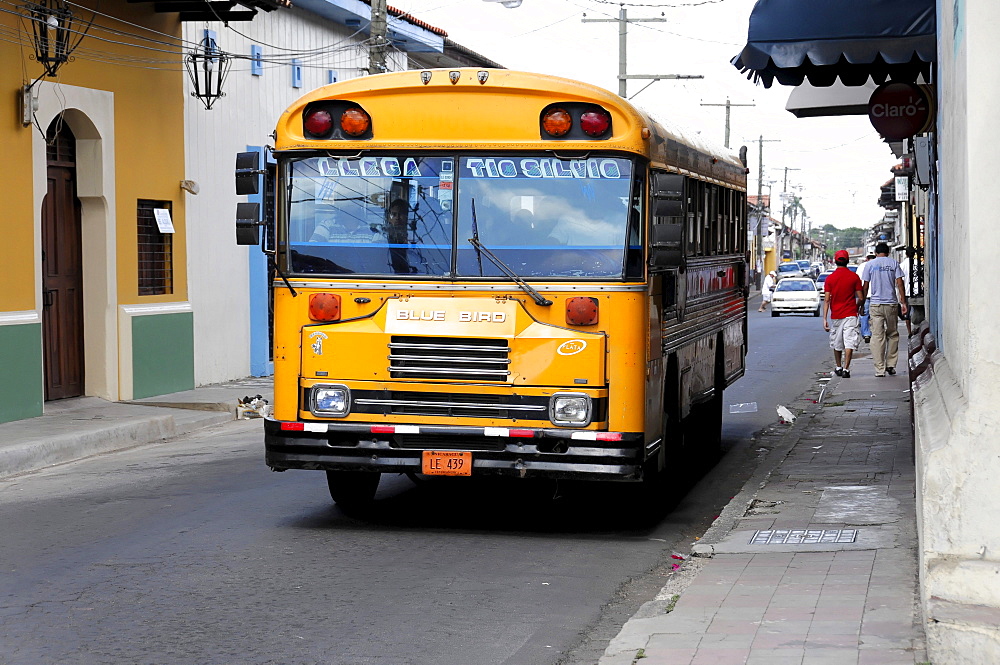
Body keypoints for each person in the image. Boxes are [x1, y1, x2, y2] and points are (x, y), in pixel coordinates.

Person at [860, 242, 909, 377]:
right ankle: (891, 365)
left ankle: (879, 369)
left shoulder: (869, 265)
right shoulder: (893, 264)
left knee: (877, 336)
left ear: (876, 253)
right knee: (892, 334)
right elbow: (900, 284)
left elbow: (865, 286)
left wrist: (862, 303)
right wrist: (903, 303)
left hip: (875, 305)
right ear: (888, 252)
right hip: (891, 304)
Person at [823, 249, 864, 378]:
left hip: (836, 315)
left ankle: (838, 366)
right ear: (847, 261)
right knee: (849, 340)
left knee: (837, 341)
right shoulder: (854, 277)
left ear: (835, 261)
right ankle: (846, 369)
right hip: (851, 313)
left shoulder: (830, 279)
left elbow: (827, 299)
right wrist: (857, 307)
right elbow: (861, 297)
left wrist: (824, 318)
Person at [859, 254, 875, 343]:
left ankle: (866, 334)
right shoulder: (877, 265)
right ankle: (874, 332)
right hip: (876, 295)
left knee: (864, 315)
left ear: (866, 258)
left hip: (865, 294)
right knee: (875, 315)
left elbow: (859, 281)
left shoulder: (862, 266)